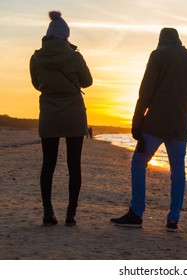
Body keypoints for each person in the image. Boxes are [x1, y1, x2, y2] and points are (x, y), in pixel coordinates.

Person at [110, 28, 187, 232]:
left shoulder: (158, 55)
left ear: (161, 40)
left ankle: (136, 212)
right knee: (178, 171)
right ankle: (173, 219)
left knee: (138, 162)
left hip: (156, 122)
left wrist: (136, 121)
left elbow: (145, 91)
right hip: (180, 124)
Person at [30, 11, 93, 226]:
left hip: (49, 113)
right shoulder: (74, 56)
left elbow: (37, 85)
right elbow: (87, 82)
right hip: (74, 114)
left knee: (48, 164)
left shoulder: (36, 57)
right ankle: (71, 214)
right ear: (66, 36)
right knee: (74, 165)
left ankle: (48, 211)